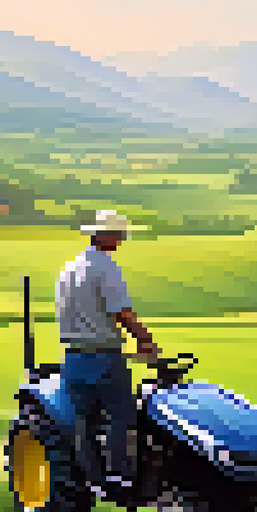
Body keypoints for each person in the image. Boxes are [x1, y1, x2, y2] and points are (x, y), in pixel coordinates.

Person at [55, 210, 158, 496]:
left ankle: (93, 478)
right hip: (104, 356)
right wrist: (147, 341)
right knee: (122, 417)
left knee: (83, 422)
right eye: (120, 235)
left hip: (73, 357)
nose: (122, 241)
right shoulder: (105, 267)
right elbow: (121, 312)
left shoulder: (69, 269)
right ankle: (121, 477)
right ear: (106, 236)